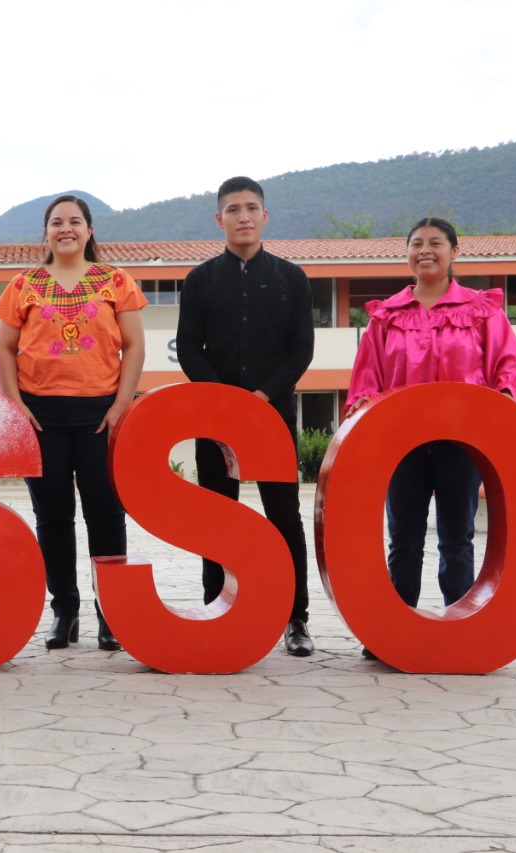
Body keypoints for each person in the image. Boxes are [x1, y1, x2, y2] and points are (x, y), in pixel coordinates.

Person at [345, 217, 516, 654]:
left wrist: (503, 396)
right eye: (416, 244)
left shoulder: (482, 310)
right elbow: (366, 379)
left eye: (435, 243)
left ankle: (461, 626)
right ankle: (392, 632)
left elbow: (508, 368)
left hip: (462, 444)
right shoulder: (386, 317)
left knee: (457, 538)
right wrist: (363, 405)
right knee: (404, 540)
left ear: (454, 252)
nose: (425, 250)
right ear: (406, 253)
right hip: (402, 445)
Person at [0, 195, 146, 651]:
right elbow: (4, 347)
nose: (66, 228)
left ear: (89, 230)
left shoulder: (115, 281)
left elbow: (135, 346)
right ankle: (65, 611)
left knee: (106, 513)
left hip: (101, 414)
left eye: (75, 221)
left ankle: (111, 613)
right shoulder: (24, 284)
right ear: (46, 232)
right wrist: (16, 403)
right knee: (53, 517)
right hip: (42, 417)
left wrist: (120, 405)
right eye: (57, 222)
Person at [175, 176, 316, 656]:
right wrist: (226, 399)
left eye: (251, 208)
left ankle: (296, 617)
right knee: (217, 515)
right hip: (215, 419)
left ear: (265, 216)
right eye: (233, 209)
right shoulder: (199, 281)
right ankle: (216, 607)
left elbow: (301, 350)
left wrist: (261, 395)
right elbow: (189, 348)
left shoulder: (292, 278)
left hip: (272, 415)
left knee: (283, 516)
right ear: (220, 219)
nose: (243, 216)